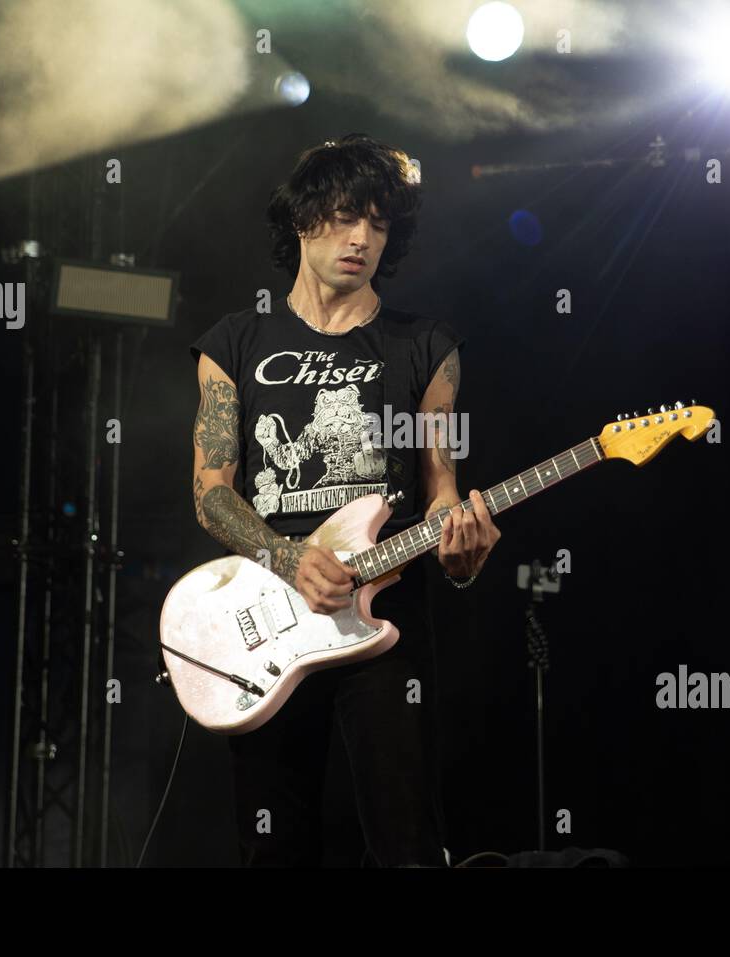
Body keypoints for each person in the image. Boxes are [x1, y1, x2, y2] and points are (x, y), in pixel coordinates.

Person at [189, 134, 500, 866]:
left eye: (379, 222)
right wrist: (287, 553)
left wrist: (462, 554)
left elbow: (441, 493)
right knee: (272, 846)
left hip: (386, 621)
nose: (360, 237)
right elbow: (210, 493)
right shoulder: (233, 343)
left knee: (406, 844)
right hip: (266, 623)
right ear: (301, 217)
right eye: (342, 215)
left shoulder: (426, 346)